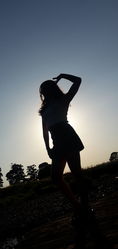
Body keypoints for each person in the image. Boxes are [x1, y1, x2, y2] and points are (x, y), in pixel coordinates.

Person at [39, 73, 88, 221]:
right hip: (57, 141)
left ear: (51, 89)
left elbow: (78, 80)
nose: (43, 93)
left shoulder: (63, 100)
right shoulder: (44, 111)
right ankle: (77, 206)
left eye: (45, 90)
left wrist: (62, 76)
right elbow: (44, 132)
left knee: (77, 174)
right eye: (42, 91)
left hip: (67, 136)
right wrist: (48, 148)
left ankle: (85, 207)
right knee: (56, 177)